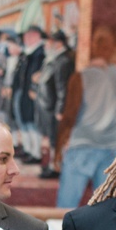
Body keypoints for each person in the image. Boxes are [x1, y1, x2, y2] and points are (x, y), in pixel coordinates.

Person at [55, 26, 116, 209]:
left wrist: (58, 147)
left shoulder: (81, 77)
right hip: (110, 147)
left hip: (81, 146)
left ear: (94, 47)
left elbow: (70, 116)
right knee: (105, 210)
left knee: (66, 207)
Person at [34, 29, 75, 180]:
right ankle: (53, 166)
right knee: (53, 139)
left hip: (54, 107)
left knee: (56, 139)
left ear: (58, 43)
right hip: (49, 105)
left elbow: (62, 87)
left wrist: (60, 109)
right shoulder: (56, 58)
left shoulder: (63, 61)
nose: (47, 44)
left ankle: (56, 168)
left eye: (50, 41)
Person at [11, 25, 47, 163]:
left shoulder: (39, 53)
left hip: (31, 93)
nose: (25, 39)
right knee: (23, 120)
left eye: (28, 36)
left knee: (32, 121)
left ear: (35, 36)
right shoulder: (27, 53)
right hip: (22, 91)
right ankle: (28, 149)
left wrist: (34, 88)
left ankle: (35, 153)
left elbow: (37, 75)